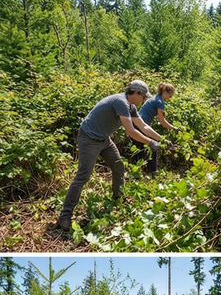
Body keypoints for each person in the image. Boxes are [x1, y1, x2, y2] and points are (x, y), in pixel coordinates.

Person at [57, 81, 162, 231]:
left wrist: (160, 139)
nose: (143, 101)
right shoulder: (120, 102)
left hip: (104, 139)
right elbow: (131, 130)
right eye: (143, 97)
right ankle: (65, 216)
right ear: (136, 93)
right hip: (89, 138)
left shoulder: (131, 106)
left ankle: (118, 198)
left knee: (118, 165)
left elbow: (143, 125)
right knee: (83, 176)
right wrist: (150, 142)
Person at [136, 82, 179, 174]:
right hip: (143, 124)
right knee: (154, 145)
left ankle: (138, 169)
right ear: (165, 92)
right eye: (170, 96)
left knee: (141, 147)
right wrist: (174, 128)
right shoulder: (160, 102)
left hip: (137, 122)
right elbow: (162, 121)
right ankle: (153, 171)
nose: (169, 98)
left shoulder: (154, 98)